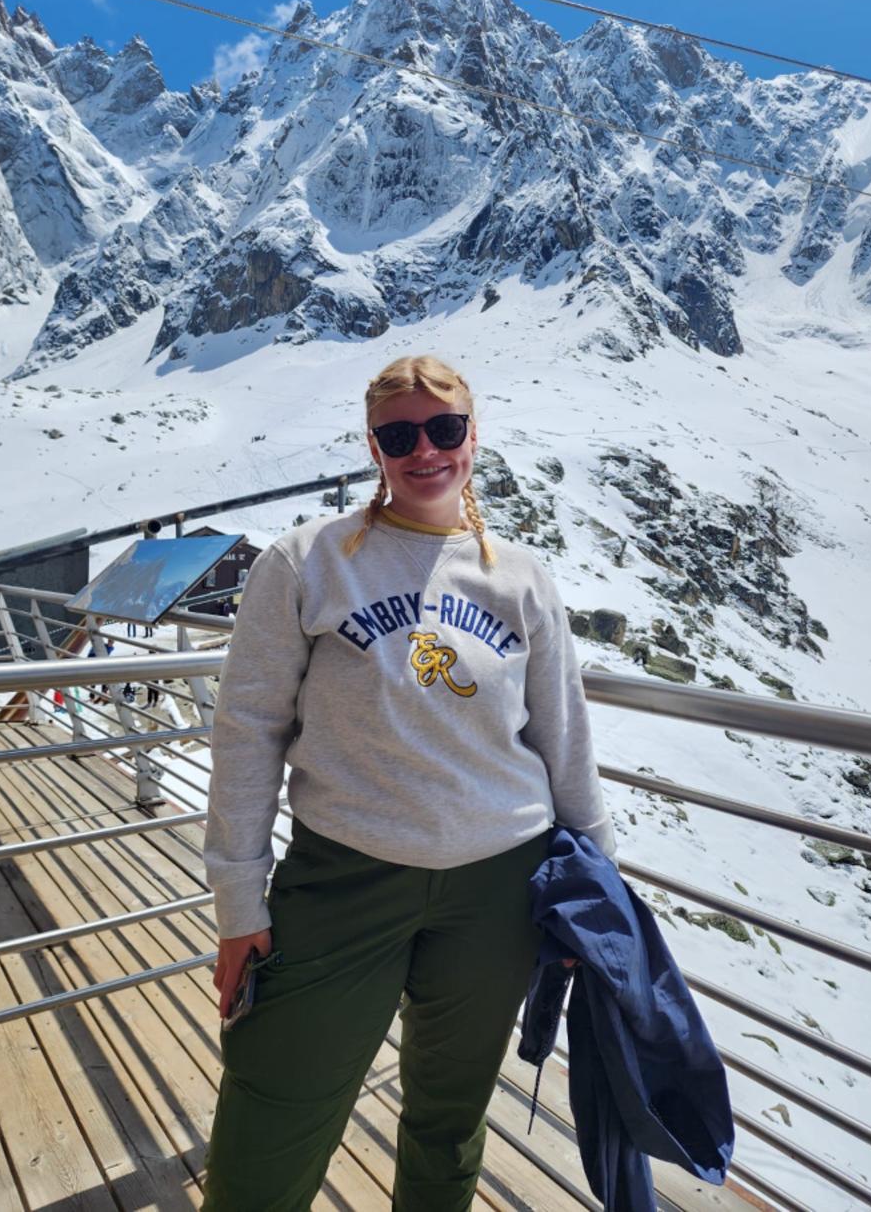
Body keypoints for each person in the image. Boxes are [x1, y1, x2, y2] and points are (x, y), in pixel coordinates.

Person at [202, 355, 617, 1211]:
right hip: (343, 879)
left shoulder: (521, 578)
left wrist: (596, 888)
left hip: (500, 885)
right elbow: (248, 732)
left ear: (473, 435)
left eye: (444, 428)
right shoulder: (305, 562)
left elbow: (563, 739)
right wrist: (240, 904)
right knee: (273, 1100)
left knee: (450, 1116)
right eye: (399, 434)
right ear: (374, 447)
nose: (424, 449)